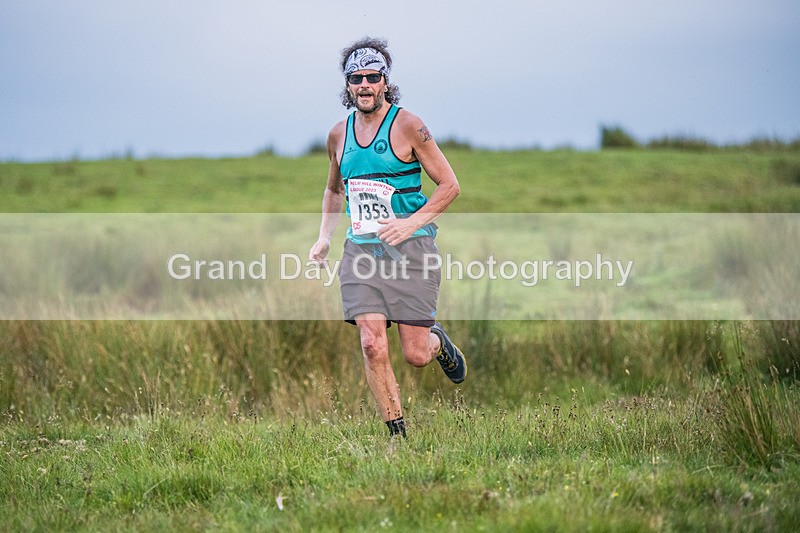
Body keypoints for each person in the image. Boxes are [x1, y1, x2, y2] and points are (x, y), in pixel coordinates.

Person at [309, 37, 467, 439]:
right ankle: (398, 436)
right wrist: (324, 237)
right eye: (356, 78)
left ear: (385, 82)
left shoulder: (410, 126)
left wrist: (410, 224)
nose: (364, 85)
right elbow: (333, 190)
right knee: (371, 344)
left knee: (415, 355)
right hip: (361, 251)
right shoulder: (337, 135)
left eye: (372, 77)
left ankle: (438, 342)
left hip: (412, 250)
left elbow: (449, 186)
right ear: (347, 85)